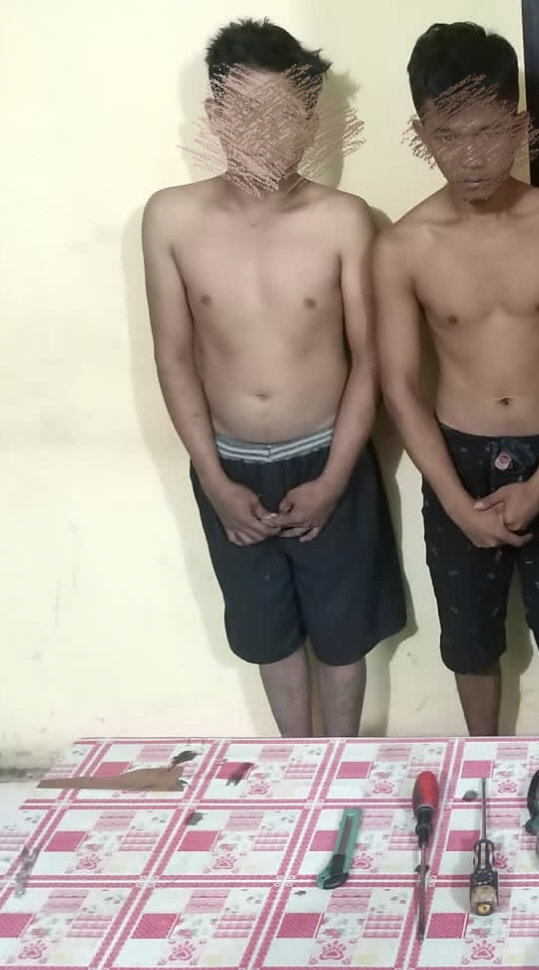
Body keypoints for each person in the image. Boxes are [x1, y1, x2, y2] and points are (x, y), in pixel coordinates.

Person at [142, 18, 407, 738]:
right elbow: (173, 357)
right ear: (215, 114)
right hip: (228, 464)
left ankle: (340, 766)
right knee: (269, 634)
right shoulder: (170, 218)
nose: (265, 133)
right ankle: (295, 766)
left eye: (285, 115)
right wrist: (214, 480)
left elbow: (371, 360)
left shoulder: (345, 220)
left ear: (311, 124)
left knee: (343, 635)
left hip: (329, 456)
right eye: (246, 111)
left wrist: (335, 478)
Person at [373, 22, 539, 737]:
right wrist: (455, 501)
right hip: (458, 458)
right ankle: (484, 766)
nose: (471, 156)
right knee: (471, 643)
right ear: (423, 133)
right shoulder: (403, 246)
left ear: (519, 124)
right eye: (448, 136)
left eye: (487, 132)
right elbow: (400, 384)